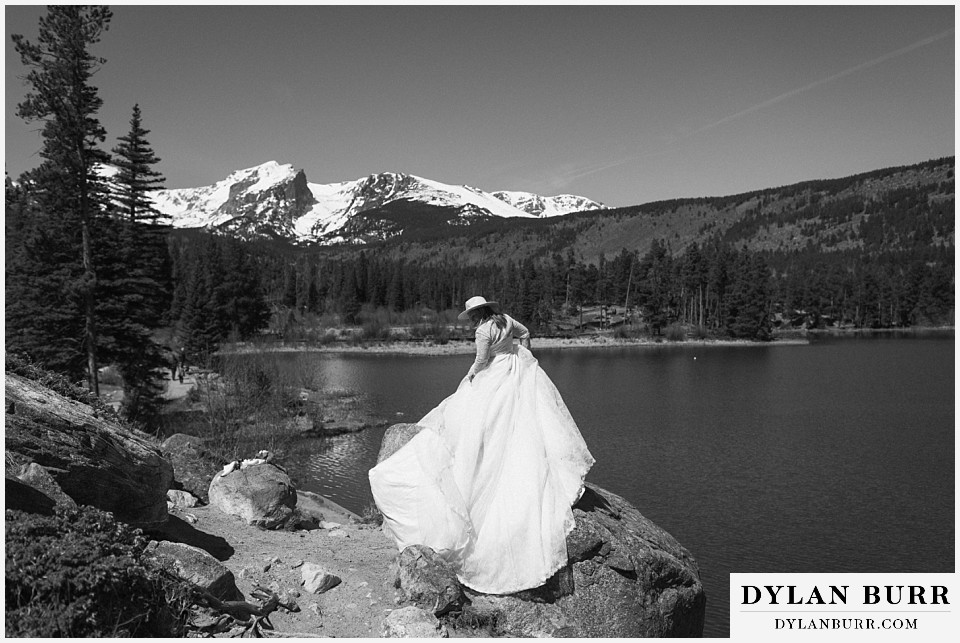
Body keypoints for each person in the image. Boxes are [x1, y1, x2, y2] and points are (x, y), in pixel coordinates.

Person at [369, 296, 595, 595]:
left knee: (480, 422)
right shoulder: (506, 320)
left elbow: (481, 360)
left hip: (495, 375)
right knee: (521, 422)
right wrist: (522, 357)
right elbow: (525, 334)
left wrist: (471, 376)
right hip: (515, 371)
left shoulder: (482, 331)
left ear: (476, 314)